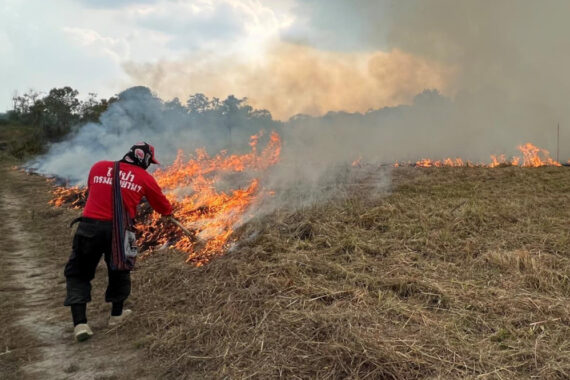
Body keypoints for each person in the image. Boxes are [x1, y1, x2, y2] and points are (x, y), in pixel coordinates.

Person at [63, 142, 172, 342]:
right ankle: (116, 315)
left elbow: (93, 191)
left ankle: (80, 323)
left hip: (88, 228)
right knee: (120, 270)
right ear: (145, 159)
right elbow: (164, 208)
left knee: (78, 273)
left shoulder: (98, 167)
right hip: (120, 231)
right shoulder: (144, 178)